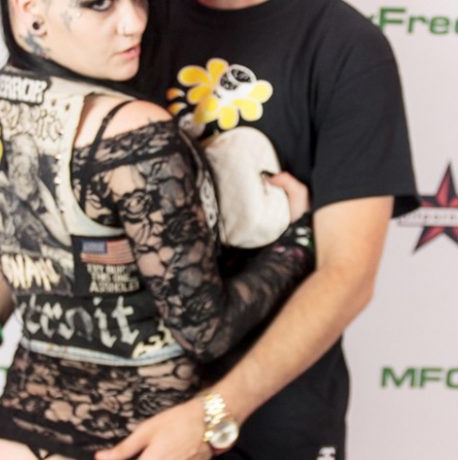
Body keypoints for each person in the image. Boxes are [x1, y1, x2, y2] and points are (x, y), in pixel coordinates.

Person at [0, 0, 315, 458]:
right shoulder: (135, 132)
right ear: (30, 9)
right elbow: (203, 330)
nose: (135, 23)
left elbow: (28, 239)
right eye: (99, 4)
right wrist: (295, 242)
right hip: (134, 439)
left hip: (14, 433)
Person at [95, 1, 419, 459]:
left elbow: (349, 273)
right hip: (114, 414)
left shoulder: (344, 45)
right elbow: (40, 196)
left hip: (272, 422)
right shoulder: (126, 19)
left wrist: (213, 415)